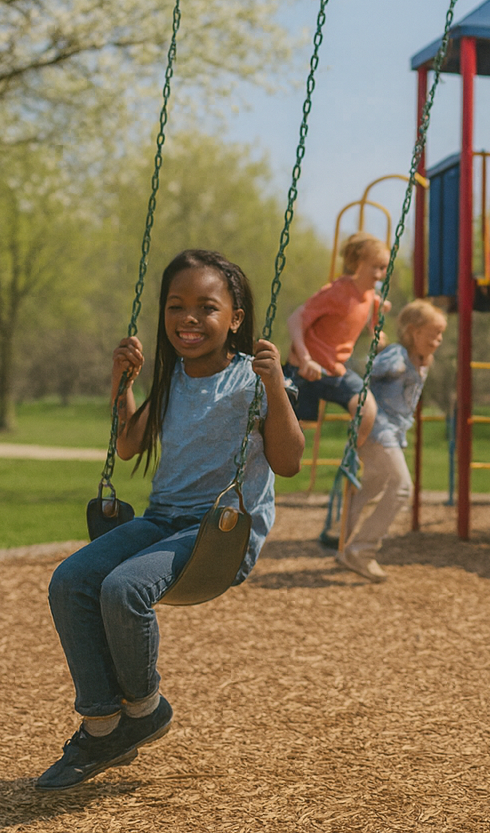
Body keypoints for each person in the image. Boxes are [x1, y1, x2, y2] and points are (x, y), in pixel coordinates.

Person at [40, 250, 304, 791]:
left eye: (206, 307)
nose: (188, 318)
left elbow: (289, 461)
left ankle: (144, 707)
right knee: (69, 582)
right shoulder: (172, 379)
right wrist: (123, 384)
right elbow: (131, 445)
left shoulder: (250, 379)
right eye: (176, 305)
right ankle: (103, 722)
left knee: (123, 589)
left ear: (234, 317)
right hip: (163, 521)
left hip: (218, 532)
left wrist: (275, 384)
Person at [337, 299, 447, 583]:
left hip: (392, 432)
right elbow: (363, 372)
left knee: (372, 484)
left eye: (441, 334)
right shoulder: (397, 357)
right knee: (401, 487)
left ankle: (340, 540)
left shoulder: (422, 358)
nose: (439, 340)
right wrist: (375, 351)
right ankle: (362, 551)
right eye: (433, 334)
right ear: (413, 332)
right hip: (377, 429)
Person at [284, 231, 390, 445]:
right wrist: (305, 359)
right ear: (357, 263)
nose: (380, 274)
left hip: (333, 372)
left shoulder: (370, 296)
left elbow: (367, 311)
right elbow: (295, 319)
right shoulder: (336, 292)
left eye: (384, 268)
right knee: (290, 434)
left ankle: (351, 459)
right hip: (305, 370)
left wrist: (376, 331)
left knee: (367, 408)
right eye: (376, 267)